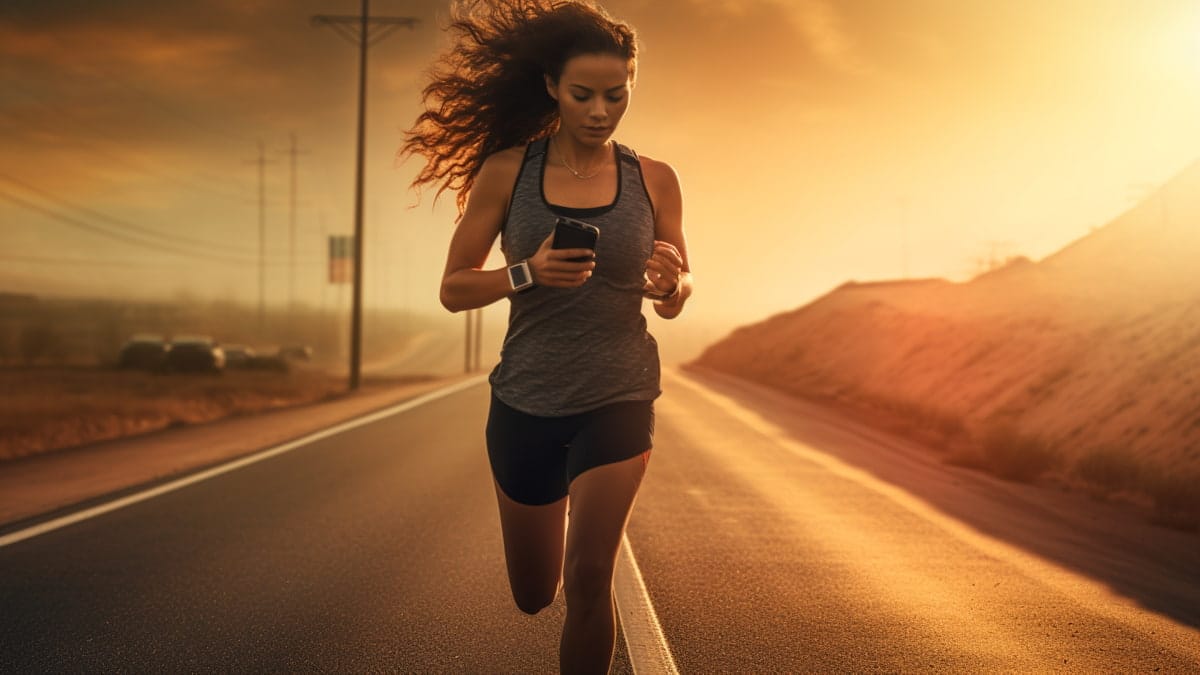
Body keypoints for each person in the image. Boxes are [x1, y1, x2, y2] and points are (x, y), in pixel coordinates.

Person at [400, 1, 691, 672]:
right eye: (583, 94)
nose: (600, 110)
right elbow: (453, 288)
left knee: (591, 574)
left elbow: (680, 289)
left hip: (618, 393)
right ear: (551, 88)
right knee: (537, 592)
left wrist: (671, 285)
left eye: (616, 95)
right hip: (525, 401)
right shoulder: (508, 173)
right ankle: (553, 512)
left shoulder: (655, 179)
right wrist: (526, 272)